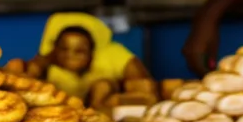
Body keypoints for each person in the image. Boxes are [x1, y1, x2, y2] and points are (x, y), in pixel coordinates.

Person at [24, 12, 156, 109]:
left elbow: (146, 90)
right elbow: (28, 77)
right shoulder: (48, 60)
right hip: (59, 113)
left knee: (102, 86)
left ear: (91, 52)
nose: (70, 56)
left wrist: (114, 101)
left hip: (113, 115)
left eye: (79, 51)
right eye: (64, 49)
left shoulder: (114, 56)